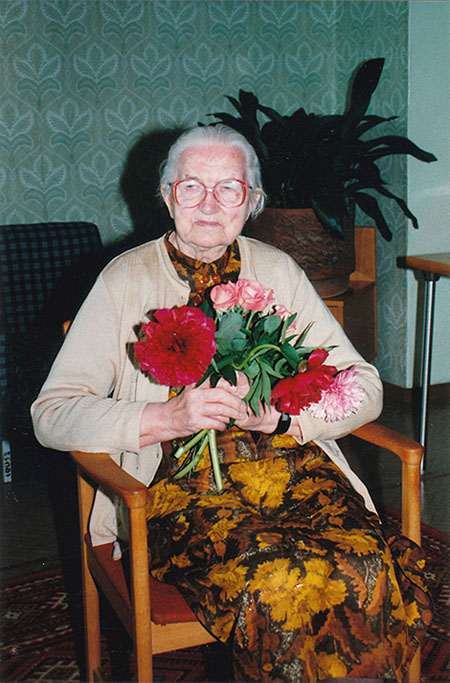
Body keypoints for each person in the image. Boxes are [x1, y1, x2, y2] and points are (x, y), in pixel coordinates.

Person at [32, 125, 431, 681]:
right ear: (167, 196)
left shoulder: (278, 270)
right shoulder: (124, 280)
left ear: (254, 201)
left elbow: (363, 383)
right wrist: (163, 417)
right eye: (191, 187)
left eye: (229, 188)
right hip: (179, 492)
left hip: (295, 472)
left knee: (364, 563)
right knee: (279, 580)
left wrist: (286, 417)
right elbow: (51, 414)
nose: (209, 204)